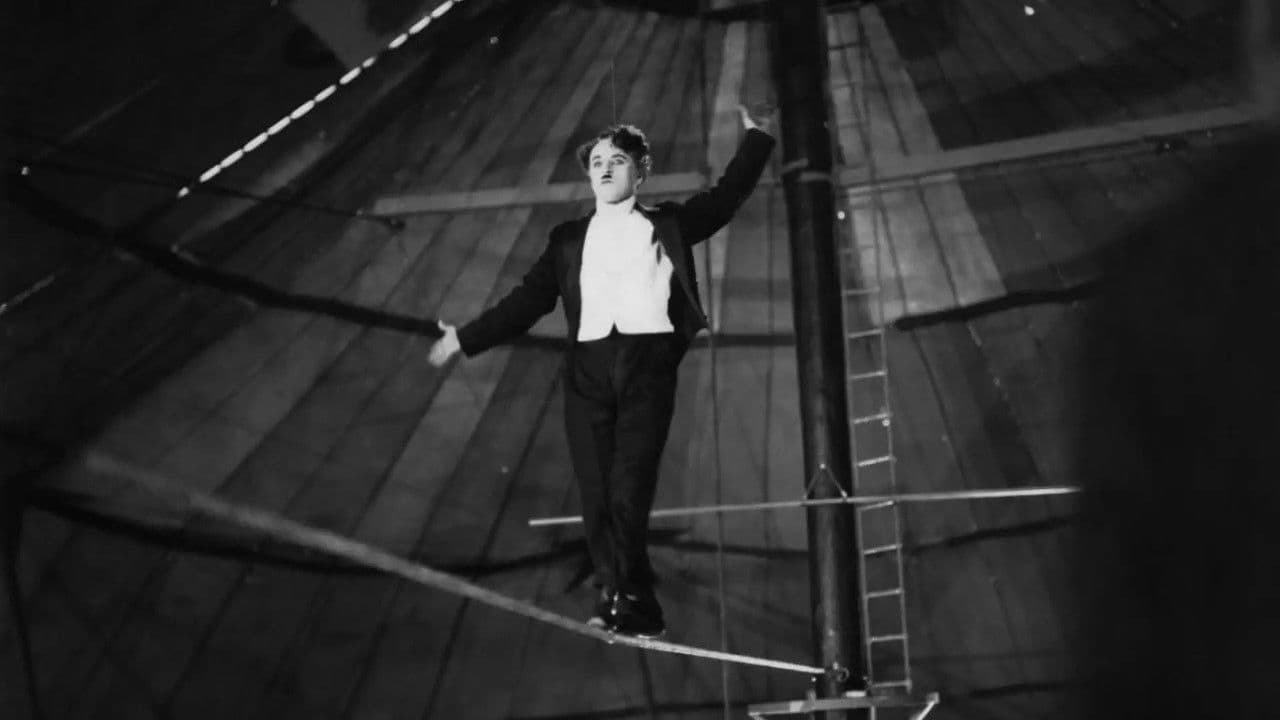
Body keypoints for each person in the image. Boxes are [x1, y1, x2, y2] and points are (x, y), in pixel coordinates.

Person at [429, 106, 775, 637]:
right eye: (597, 163)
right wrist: (464, 338)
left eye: (617, 161)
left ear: (641, 171)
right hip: (588, 371)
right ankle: (622, 596)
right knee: (596, 495)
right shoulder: (567, 239)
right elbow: (527, 301)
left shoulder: (669, 224)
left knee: (627, 490)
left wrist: (757, 137)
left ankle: (631, 598)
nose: (606, 169)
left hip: (646, 368)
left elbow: (727, 197)